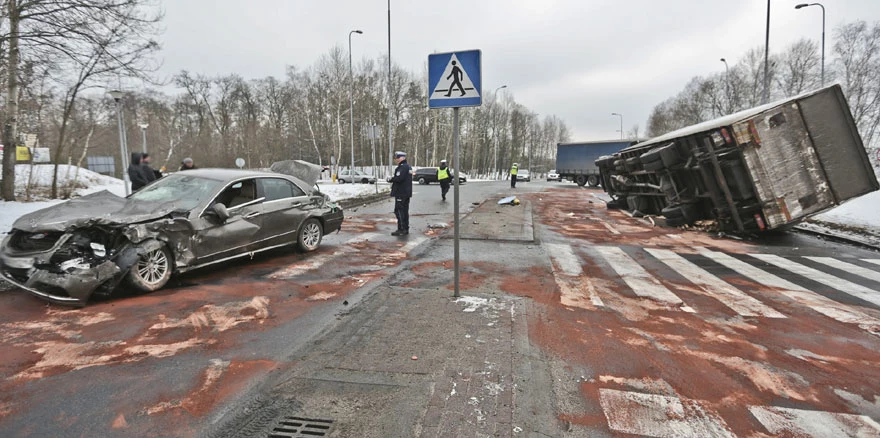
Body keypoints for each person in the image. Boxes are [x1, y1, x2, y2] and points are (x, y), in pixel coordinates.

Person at [389, 150, 412, 236]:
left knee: (399, 210)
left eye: (398, 158)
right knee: (404, 211)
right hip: (406, 193)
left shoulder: (403, 167)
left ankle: (402, 229)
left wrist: (391, 179)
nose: (396, 160)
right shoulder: (408, 167)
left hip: (401, 193)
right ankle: (405, 228)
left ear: (402, 158)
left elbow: (399, 178)